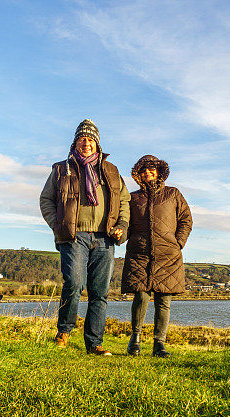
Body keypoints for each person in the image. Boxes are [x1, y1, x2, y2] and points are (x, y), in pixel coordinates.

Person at [39, 119, 130, 355]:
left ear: (97, 144)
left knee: (99, 292)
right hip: (74, 236)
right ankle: (64, 332)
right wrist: (57, 226)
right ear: (75, 143)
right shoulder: (61, 169)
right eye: (82, 139)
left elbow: (124, 201)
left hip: (104, 238)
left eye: (90, 139)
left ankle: (94, 343)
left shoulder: (111, 171)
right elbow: (46, 201)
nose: (86, 143)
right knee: (74, 283)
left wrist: (122, 224)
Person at [121, 155, 192, 357]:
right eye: (143, 170)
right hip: (139, 254)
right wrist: (118, 234)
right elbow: (126, 223)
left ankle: (159, 344)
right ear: (138, 174)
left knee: (163, 300)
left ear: (160, 172)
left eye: (151, 169)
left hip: (168, 255)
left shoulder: (173, 194)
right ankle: (134, 340)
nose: (148, 173)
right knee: (141, 296)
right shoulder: (133, 198)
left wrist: (178, 243)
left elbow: (186, 219)